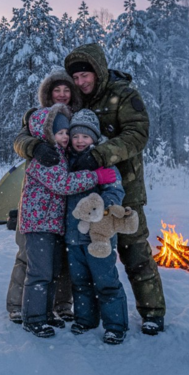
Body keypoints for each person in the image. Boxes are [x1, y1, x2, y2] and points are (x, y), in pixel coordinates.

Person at [14, 43, 166, 336]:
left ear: (98, 71)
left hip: (123, 187)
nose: (81, 83)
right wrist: (33, 146)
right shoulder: (70, 106)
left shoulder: (123, 95)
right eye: (77, 79)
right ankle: (76, 314)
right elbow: (24, 136)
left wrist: (101, 155)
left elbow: (137, 134)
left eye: (86, 76)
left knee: (134, 251)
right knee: (78, 259)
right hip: (80, 199)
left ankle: (152, 312)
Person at [18, 104, 114, 338]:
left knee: (51, 272)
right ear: (46, 133)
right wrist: (94, 176)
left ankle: (47, 312)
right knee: (39, 273)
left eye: (65, 133)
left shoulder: (61, 154)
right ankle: (33, 318)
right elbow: (63, 184)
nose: (64, 138)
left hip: (52, 223)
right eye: (59, 133)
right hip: (39, 222)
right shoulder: (45, 157)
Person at [6, 69, 81, 324]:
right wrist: (35, 147)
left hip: (68, 201)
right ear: (47, 94)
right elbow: (19, 141)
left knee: (64, 258)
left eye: (66, 90)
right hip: (41, 201)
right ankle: (20, 305)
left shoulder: (77, 118)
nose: (61, 94)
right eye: (56, 90)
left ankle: (59, 305)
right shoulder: (36, 120)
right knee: (30, 256)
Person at [65, 109, 129, 345]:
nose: (80, 141)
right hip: (73, 236)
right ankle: (85, 319)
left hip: (99, 237)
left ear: (94, 138)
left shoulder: (102, 162)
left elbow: (115, 189)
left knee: (106, 281)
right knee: (80, 282)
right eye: (76, 136)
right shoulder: (67, 162)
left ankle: (115, 325)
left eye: (85, 136)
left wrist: (108, 205)